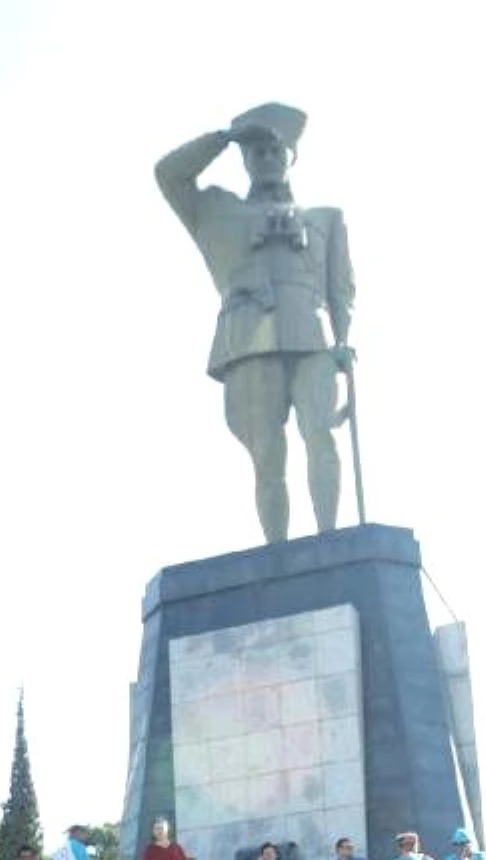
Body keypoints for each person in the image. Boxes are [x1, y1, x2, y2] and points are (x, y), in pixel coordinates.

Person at [154, 103, 354, 542]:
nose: (266, 159)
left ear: (289, 156)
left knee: (320, 435)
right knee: (267, 457)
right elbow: (168, 175)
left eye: (275, 150)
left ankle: (331, 541)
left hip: (313, 338)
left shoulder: (325, 219)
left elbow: (341, 289)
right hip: (247, 339)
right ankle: (278, 552)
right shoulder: (214, 212)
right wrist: (224, 137)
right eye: (256, 151)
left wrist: (342, 342)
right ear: (244, 158)